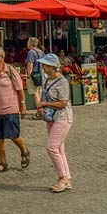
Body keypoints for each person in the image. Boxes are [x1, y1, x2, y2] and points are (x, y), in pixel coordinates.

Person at [0, 47, 29, 172]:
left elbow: (20, 90)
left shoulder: (11, 71)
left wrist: (23, 105)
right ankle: (3, 163)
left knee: (13, 135)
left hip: (10, 108)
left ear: (2, 58)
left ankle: (24, 150)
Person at [34, 53, 73, 192]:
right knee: (59, 148)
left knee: (51, 147)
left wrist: (44, 103)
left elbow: (63, 103)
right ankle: (66, 178)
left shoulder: (62, 82)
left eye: (45, 65)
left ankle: (62, 178)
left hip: (62, 117)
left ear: (52, 67)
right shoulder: (47, 80)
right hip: (51, 117)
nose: (43, 67)